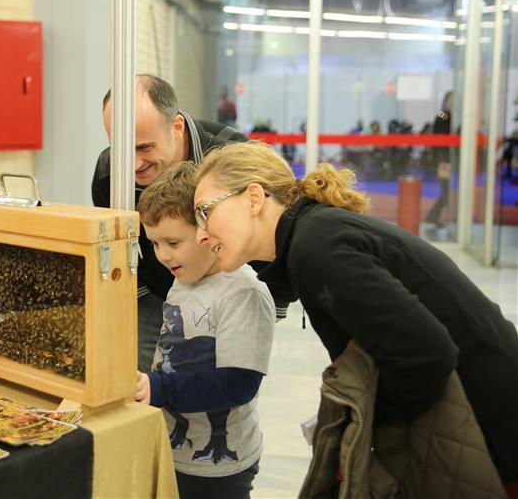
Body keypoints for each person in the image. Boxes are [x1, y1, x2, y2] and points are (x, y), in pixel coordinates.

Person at [193, 140, 518, 495]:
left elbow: (426, 353)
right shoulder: (313, 235)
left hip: (493, 425)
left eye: (204, 212)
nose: (201, 234)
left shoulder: (316, 246)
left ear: (254, 197)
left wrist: (365, 430)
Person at [133, 162, 274, 499]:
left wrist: (158, 388)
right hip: (175, 450)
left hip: (220, 469)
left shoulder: (243, 293)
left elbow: (239, 383)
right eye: (154, 244)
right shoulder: (182, 280)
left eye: (173, 242)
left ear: (206, 232)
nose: (163, 256)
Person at [92, 74, 250, 371]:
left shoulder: (235, 158)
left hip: (229, 298)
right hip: (154, 296)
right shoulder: (108, 173)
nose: (133, 163)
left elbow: (271, 234)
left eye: (144, 148)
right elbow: (116, 247)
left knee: (217, 396)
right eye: (122, 148)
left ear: (176, 127)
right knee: (142, 388)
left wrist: (263, 307)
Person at [426, 91, 453, 226]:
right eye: (451, 99)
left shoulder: (451, 116)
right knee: (446, 190)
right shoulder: (442, 116)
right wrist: (442, 160)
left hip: (447, 159)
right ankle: (433, 215)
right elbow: (439, 140)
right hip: (443, 160)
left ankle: (434, 215)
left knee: (446, 190)